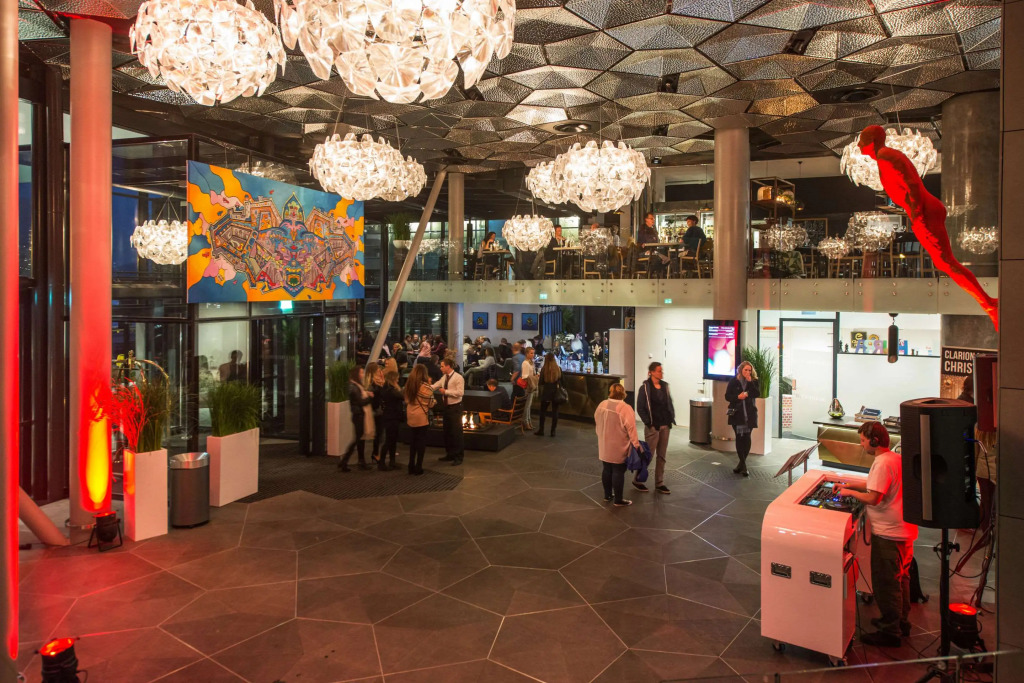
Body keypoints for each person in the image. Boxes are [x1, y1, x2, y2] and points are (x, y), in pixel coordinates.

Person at [857, 125, 997, 328]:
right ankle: (989, 303)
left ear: (871, 142)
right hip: (923, 211)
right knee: (944, 263)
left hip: (925, 211)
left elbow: (912, 185)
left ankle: (990, 304)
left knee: (947, 262)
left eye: (861, 140)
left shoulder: (887, 156)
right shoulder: (884, 157)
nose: (859, 145)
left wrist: (918, 217)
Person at [838, 422, 918, 647]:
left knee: (886, 584)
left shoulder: (882, 463)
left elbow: (874, 498)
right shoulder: (893, 459)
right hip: (904, 531)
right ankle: (901, 623)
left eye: (863, 440)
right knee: (901, 579)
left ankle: (889, 632)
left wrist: (849, 492)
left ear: (874, 441)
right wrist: (849, 484)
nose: (861, 444)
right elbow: (875, 485)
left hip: (889, 535)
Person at [595, 384, 640, 507]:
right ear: (623, 393)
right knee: (618, 471)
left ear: (610, 392)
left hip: (604, 443)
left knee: (606, 469)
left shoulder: (602, 405)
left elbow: (597, 420)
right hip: (619, 444)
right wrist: (636, 444)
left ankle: (607, 495)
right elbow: (631, 428)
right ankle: (618, 500)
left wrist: (600, 434)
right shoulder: (625, 408)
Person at [635, 362, 676, 494]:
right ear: (651, 372)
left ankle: (659, 483)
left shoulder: (665, 386)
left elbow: (669, 403)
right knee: (649, 455)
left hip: (665, 425)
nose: (661, 373)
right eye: (659, 371)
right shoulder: (645, 388)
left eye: (661, 371)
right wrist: (648, 423)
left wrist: (670, 419)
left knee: (662, 456)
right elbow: (640, 407)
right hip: (653, 427)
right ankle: (638, 479)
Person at [725, 361, 760, 476]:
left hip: (750, 415)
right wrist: (738, 397)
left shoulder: (754, 381)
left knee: (747, 438)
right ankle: (744, 466)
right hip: (737, 414)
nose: (748, 372)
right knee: (739, 439)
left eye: (750, 370)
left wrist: (750, 382)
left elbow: (756, 393)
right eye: (746, 370)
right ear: (741, 370)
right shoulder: (734, 381)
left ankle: (741, 464)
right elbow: (727, 396)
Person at [339, 366, 374, 472]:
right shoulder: (354, 387)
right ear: (356, 374)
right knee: (358, 440)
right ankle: (345, 461)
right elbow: (361, 402)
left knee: (360, 439)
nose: (362, 375)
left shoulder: (356, 386)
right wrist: (370, 397)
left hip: (359, 415)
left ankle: (359, 461)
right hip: (358, 415)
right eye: (361, 373)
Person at [432, 357, 465, 466]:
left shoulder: (458, 377)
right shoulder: (444, 377)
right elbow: (435, 385)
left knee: (456, 433)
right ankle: (450, 454)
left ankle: (458, 456)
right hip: (446, 407)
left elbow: (460, 393)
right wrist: (425, 387)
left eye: (442, 366)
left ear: (448, 366)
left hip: (455, 408)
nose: (440, 368)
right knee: (447, 432)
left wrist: (446, 392)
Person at [404, 364, 434, 475]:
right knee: (421, 442)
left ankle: (410, 465)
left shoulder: (409, 385)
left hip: (410, 414)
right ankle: (418, 467)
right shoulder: (426, 387)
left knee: (413, 441)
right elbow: (430, 404)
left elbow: (406, 400)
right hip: (421, 416)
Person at [379, 369, 405, 471]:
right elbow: (402, 396)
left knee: (392, 440)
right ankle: (382, 463)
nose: (398, 380)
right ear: (393, 379)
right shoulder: (392, 390)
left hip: (390, 416)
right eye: (397, 378)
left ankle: (392, 462)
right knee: (389, 440)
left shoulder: (386, 388)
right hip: (392, 417)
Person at [366, 364, 389, 470]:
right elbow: (377, 398)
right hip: (376, 411)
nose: (380, 371)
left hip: (378, 411)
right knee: (378, 433)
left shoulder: (376, 383)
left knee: (379, 433)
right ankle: (375, 454)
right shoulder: (373, 385)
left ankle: (375, 453)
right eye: (378, 370)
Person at [535, 353, 563, 437]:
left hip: (546, 391)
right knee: (555, 412)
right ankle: (553, 431)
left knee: (543, 411)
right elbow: (562, 381)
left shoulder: (544, 369)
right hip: (555, 392)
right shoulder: (558, 369)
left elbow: (541, 382)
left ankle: (541, 430)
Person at [639, 212, 669, 277]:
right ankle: (650, 274)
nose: (653, 220)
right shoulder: (643, 228)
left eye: (654, 219)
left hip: (653, 250)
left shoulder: (653, 228)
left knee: (667, 259)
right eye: (651, 219)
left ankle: (654, 273)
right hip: (645, 251)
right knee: (657, 259)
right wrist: (653, 239)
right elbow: (647, 240)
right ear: (646, 219)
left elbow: (656, 240)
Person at [519, 347, 538, 431]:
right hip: (528, 386)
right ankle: (525, 422)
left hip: (531, 385)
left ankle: (529, 421)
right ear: (527, 354)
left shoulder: (531, 362)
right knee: (527, 406)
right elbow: (525, 376)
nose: (533, 355)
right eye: (531, 353)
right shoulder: (525, 363)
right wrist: (534, 377)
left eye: (533, 353)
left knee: (529, 405)